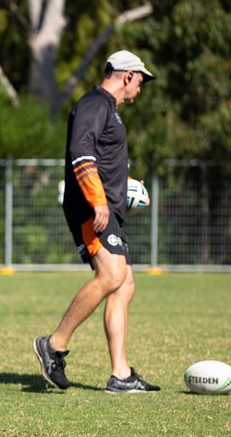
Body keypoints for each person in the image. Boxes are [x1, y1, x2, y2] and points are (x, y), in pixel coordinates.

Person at [33, 50, 161, 394]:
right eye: (141, 80)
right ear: (127, 75)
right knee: (112, 275)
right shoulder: (94, 104)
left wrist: (127, 190)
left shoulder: (112, 113)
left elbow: (104, 160)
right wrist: (100, 200)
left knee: (125, 283)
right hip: (91, 208)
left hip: (106, 208)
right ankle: (54, 345)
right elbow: (82, 152)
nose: (141, 88)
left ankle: (121, 375)